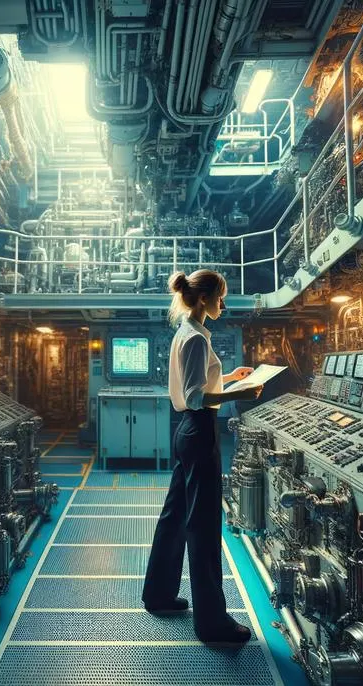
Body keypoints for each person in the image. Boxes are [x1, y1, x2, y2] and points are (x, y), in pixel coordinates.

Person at [141, 269, 263, 643]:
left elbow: (196, 387)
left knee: (176, 515)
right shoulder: (195, 338)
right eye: (221, 297)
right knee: (204, 526)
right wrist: (238, 395)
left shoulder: (187, 334)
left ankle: (158, 595)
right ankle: (212, 623)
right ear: (205, 297)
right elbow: (196, 397)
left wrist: (229, 379)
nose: (224, 304)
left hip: (188, 430)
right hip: (199, 429)